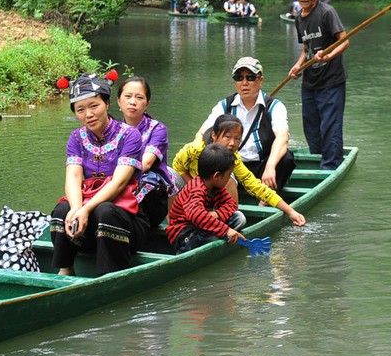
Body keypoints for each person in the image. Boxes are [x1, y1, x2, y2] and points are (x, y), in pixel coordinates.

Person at [50, 72, 151, 276]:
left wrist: (86, 210)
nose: (88, 114)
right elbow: (73, 177)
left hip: (127, 221)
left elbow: (120, 182)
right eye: (80, 110)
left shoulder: (130, 135)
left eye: (94, 106)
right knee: (62, 210)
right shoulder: (76, 137)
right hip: (89, 226)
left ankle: (110, 274)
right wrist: (77, 209)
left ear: (106, 104)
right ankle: (66, 269)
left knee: (104, 210)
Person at [176, 114, 306, 226]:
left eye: (237, 139)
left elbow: (256, 186)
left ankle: (220, 222)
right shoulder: (195, 149)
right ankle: (176, 223)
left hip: (210, 194)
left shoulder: (232, 157)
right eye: (227, 137)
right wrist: (197, 187)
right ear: (214, 136)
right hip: (190, 190)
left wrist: (290, 211)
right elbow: (177, 166)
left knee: (230, 180)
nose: (232, 143)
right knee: (171, 177)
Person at [199, 56, 296, 193]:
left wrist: (270, 166)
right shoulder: (224, 105)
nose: (244, 83)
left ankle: (266, 199)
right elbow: (202, 133)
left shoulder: (275, 106)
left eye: (250, 78)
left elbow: (282, 137)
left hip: (262, 167)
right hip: (231, 166)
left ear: (260, 80)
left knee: (286, 158)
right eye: (239, 78)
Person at [288, 0, 349, 170]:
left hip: (331, 80)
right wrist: (298, 65)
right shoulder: (299, 17)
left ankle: (330, 167)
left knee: (330, 125)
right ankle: (318, 159)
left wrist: (330, 55)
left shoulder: (326, 12)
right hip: (310, 80)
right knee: (311, 126)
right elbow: (306, 49)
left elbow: (344, 40)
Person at [116, 76, 179, 228]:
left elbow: (146, 163)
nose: (133, 102)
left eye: (139, 97)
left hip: (151, 195)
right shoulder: (112, 130)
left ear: (147, 104)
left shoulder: (157, 129)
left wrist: (116, 182)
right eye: (128, 96)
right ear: (119, 101)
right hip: (118, 184)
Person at [166, 143, 246, 253]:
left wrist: (217, 214)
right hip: (184, 232)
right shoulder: (196, 189)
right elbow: (197, 216)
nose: (229, 178)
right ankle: (183, 252)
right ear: (217, 176)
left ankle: (220, 236)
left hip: (204, 225)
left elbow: (231, 204)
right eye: (228, 175)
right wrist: (226, 230)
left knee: (239, 217)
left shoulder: (218, 188)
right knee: (211, 238)